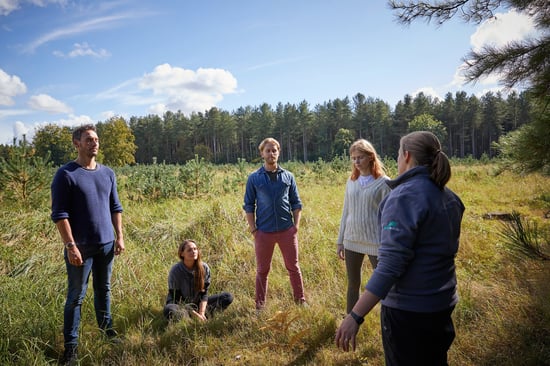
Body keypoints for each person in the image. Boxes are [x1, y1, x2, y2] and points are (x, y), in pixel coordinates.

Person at [335, 131, 465, 366]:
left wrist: (355, 316)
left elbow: (390, 266)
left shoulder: (402, 197)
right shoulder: (450, 198)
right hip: (442, 303)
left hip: (409, 310)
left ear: (406, 156)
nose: (396, 159)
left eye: (397, 154)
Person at [51, 124, 125, 365]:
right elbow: (60, 214)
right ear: (77, 143)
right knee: (76, 296)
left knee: (103, 290)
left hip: (106, 245)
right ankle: (70, 349)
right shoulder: (66, 174)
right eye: (89, 139)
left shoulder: (108, 173)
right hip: (80, 248)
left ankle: (107, 331)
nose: (95, 143)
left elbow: (115, 207)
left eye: (96, 139)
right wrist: (71, 246)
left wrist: (120, 236)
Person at [243, 137, 306, 310]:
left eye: (274, 150)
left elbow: (296, 203)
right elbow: (249, 205)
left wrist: (296, 226)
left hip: (287, 230)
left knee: (293, 267)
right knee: (262, 270)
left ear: (278, 152)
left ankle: (300, 301)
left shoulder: (288, 176)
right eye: (268, 150)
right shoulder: (254, 178)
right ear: (262, 153)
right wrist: (254, 230)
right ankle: (260, 306)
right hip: (264, 232)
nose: (271, 153)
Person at [336, 139, 391, 314]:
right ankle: (349, 322)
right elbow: (346, 212)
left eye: (360, 157)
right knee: (353, 284)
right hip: (351, 240)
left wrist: (389, 243)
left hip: (376, 242)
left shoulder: (384, 183)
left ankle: (389, 318)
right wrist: (340, 241)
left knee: (384, 286)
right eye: (353, 158)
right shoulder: (351, 181)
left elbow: (390, 216)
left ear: (370, 157)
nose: (356, 162)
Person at [164, 239, 233, 321]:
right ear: (182, 254)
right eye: (189, 250)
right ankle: (189, 319)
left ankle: (202, 317)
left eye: (195, 249)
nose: (193, 252)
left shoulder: (204, 268)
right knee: (169, 309)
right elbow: (177, 298)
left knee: (227, 297)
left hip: (197, 303)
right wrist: (195, 314)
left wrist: (202, 312)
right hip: (180, 305)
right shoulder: (176, 270)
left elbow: (204, 294)